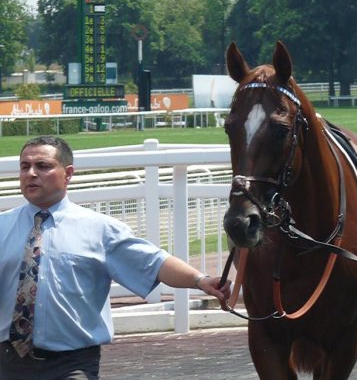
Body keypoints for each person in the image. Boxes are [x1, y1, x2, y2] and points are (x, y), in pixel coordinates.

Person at [0, 136, 231, 380]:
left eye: (43, 166)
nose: (31, 173)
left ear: (67, 173)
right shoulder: (3, 226)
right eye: (25, 166)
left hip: (70, 364)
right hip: (7, 361)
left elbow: (154, 262)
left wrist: (199, 280)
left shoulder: (99, 229)